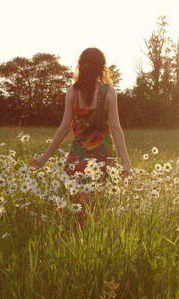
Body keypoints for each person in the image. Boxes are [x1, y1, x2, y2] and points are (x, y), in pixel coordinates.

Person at [29, 47, 131, 222]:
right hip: (102, 157)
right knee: (98, 207)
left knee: (73, 205)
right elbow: (115, 128)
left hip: (77, 158)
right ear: (102, 67)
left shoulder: (72, 92)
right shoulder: (108, 92)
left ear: (80, 66)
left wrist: (45, 157)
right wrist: (126, 162)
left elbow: (64, 128)